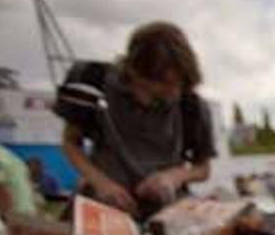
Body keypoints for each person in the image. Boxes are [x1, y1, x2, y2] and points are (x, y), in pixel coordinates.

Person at [54, 21, 216, 219]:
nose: (172, 95)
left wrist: (173, 176)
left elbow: (203, 169)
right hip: (104, 203)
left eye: (178, 86)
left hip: (167, 211)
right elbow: (70, 142)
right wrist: (100, 182)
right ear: (133, 71)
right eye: (160, 89)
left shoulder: (193, 106)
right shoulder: (91, 80)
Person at [0, 144, 36, 216]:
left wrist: (8, 219)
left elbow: (0, 191)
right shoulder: (9, 156)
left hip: (14, 217)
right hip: (28, 213)